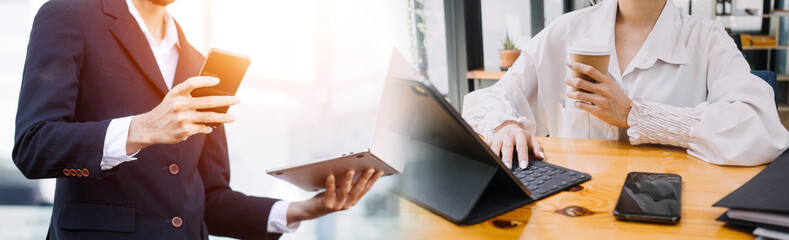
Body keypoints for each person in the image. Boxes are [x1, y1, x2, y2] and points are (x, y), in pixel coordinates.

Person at [13, 0, 383, 239]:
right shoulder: (69, 15)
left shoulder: (198, 64)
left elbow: (210, 200)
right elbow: (33, 147)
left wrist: (301, 209)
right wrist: (142, 129)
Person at [462, 0, 789, 168]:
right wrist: (504, 124)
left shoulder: (707, 40)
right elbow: (490, 99)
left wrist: (637, 115)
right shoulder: (565, 32)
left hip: (670, 211)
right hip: (576, 207)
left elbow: (761, 128)